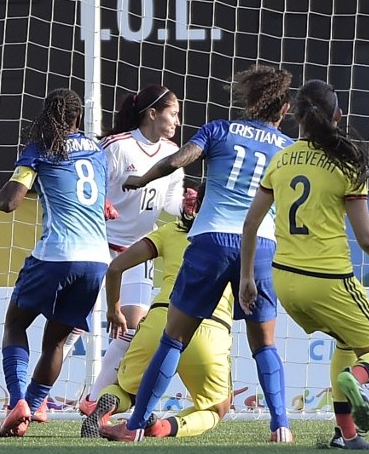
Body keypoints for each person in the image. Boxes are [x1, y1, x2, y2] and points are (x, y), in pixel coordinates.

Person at [99, 64, 294, 443]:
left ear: (250, 100)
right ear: (282, 111)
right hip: (260, 245)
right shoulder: (286, 148)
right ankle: (281, 426)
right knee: (264, 344)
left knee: (173, 338)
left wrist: (140, 179)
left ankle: (135, 426)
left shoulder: (218, 129)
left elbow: (178, 160)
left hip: (210, 242)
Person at [238, 79, 369, 450]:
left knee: (346, 342)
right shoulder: (346, 162)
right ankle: (357, 380)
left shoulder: (280, 159)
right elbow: (365, 237)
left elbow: (251, 223)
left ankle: (345, 435)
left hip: (283, 279)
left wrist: (247, 277)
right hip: (328, 280)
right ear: (338, 115)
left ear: (295, 116)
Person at [0, 88, 109, 437]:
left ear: (48, 117)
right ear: (78, 119)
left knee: (15, 324)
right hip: (96, 258)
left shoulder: (42, 149)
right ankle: (30, 410)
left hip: (57, 254)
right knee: (57, 342)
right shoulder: (97, 150)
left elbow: (10, 202)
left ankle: (18, 400)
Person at [66, 84, 187, 417]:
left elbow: (171, 203)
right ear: (152, 114)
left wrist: (187, 205)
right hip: (98, 245)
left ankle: (93, 400)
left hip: (136, 253)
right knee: (74, 324)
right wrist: (101, 201)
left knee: (131, 328)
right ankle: (37, 398)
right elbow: (88, 183)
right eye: (172, 113)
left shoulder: (172, 153)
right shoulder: (117, 147)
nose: (177, 120)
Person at [82, 184, 234, 440]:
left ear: (196, 205)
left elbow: (116, 267)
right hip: (211, 326)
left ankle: (106, 407)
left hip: (163, 319)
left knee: (126, 388)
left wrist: (115, 310)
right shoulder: (239, 239)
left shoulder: (172, 231)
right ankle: (162, 428)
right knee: (217, 407)